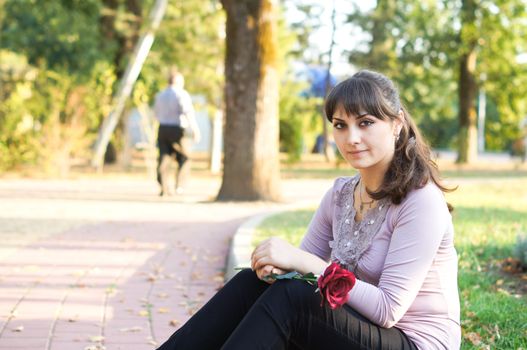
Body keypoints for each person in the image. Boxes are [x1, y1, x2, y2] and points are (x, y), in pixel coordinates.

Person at [157, 70, 461, 349]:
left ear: (396, 124)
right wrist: (277, 268)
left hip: (414, 342)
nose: (351, 138)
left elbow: (388, 309)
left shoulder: (421, 201)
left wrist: (304, 262)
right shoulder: (341, 194)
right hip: (359, 331)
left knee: (294, 296)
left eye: (365, 123)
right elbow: (297, 275)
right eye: (341, 125)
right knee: (255, 282)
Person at [153, 70, 201, 196]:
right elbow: (188, 112)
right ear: (178, 81)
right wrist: (195, 129)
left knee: (164, 157)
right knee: (185, 157)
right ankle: (179, 185)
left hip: (162, 128)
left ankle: (163, 186)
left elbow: (156, 114)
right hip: (177, 129)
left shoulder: (160, 95)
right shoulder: (181, 94)